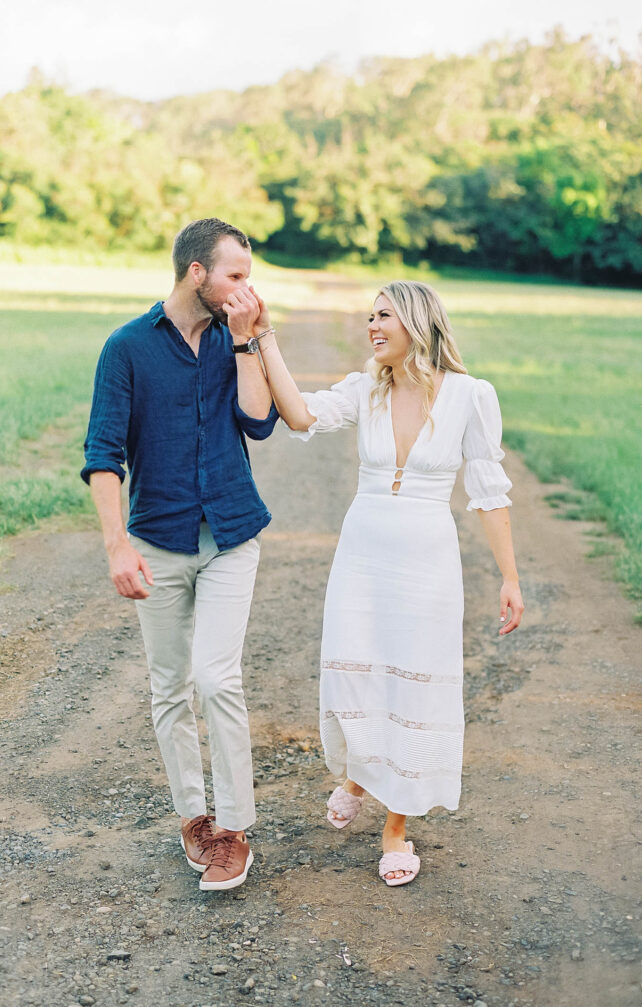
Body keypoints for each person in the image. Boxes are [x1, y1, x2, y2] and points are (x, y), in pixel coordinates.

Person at [254, 280, 524, 886]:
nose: (372, 327)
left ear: (416, 323)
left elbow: (489, 493)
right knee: (358, 669)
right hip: (362, 555)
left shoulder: (469, 397)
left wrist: (510, 577)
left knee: (414, 686)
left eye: (384, 317)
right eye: (369, 317)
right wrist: (264, 336)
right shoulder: (365, 389)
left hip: (426, 562)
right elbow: (299, 413)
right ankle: (358, 774)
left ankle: (395, 827)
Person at [81, 218, 279, 891]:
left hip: (231, 534)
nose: (245, 287)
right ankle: (193, 817)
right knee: (169, 686)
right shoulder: (127, 349)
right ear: (197, 272)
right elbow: (102, 457)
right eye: (236, 275)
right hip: (157, 541)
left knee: (216, 679)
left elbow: (258, 420)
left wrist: (250, 343)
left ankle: (233, 828)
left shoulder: (235, 338)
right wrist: (116, 547)